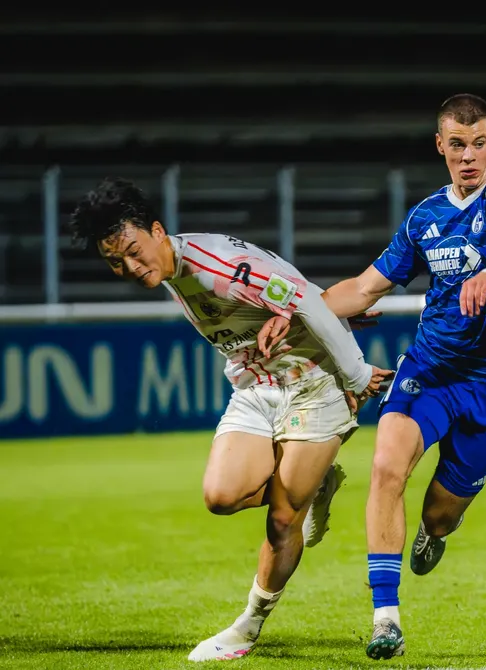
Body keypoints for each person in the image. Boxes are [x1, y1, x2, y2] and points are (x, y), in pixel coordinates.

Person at [68, 178, 393, 662]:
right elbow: (290, 287)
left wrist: (357, 374)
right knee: (220, 497)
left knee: (283, 520)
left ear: (156, 231)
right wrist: (307, 305)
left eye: (134, 252)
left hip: (314, 381)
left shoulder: (214, 265)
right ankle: (311, 485)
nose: (131, 268)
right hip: (258, 386)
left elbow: (302, 300)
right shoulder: (175, 269)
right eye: (116, 262)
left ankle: (247, 627)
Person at [321, 93, 486, 659]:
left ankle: (434, 533)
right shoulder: (425, 217)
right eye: (457, 145)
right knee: (386, 467)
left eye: (478, 144)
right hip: (431, 368)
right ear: (440, 146)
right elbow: (364, 288)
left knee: (439, 512)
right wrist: (296, 312)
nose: (468, 156)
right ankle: (386, 620)